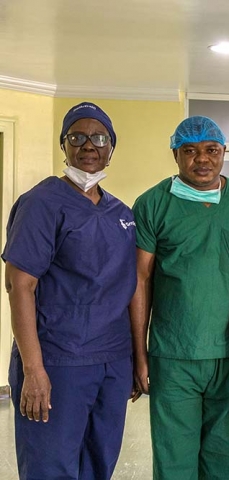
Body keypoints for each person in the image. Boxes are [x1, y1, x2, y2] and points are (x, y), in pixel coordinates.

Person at [3, 102, 136, 479]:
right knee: (51, 468)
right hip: (58, 362)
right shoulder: (41, 204)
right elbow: (19, 285)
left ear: (112, 147)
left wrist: (133, 363)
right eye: (77, 136)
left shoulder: (122, 214)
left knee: (99, 463)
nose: (88, 145)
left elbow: (129, 288)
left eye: (99, 137)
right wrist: (33, 370)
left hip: (111, 360)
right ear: (63, 145)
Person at [130, 116, 229, 479]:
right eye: (190, 150)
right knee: (174, 461)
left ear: (224, 153)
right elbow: (140, 279)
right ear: (175, 154)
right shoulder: (153, 204)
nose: (201, 159)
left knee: (224, 461)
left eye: (211, 150)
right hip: (173, 354)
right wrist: (139, 354)